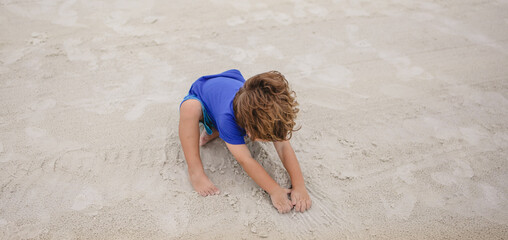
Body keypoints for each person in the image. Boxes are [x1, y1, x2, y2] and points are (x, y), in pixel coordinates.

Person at [178, 69, 312, 213]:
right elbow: (245, 159)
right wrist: (274, 190)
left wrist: (299, 185)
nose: (271, 141)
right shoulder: (227, 118)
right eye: (267, 138)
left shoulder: (266, 110)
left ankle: (220, 131)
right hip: (203, 97)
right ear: (248, 131)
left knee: (231, 126)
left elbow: (283, 147)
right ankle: (196, 172)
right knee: (190, 108)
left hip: (231, 92)